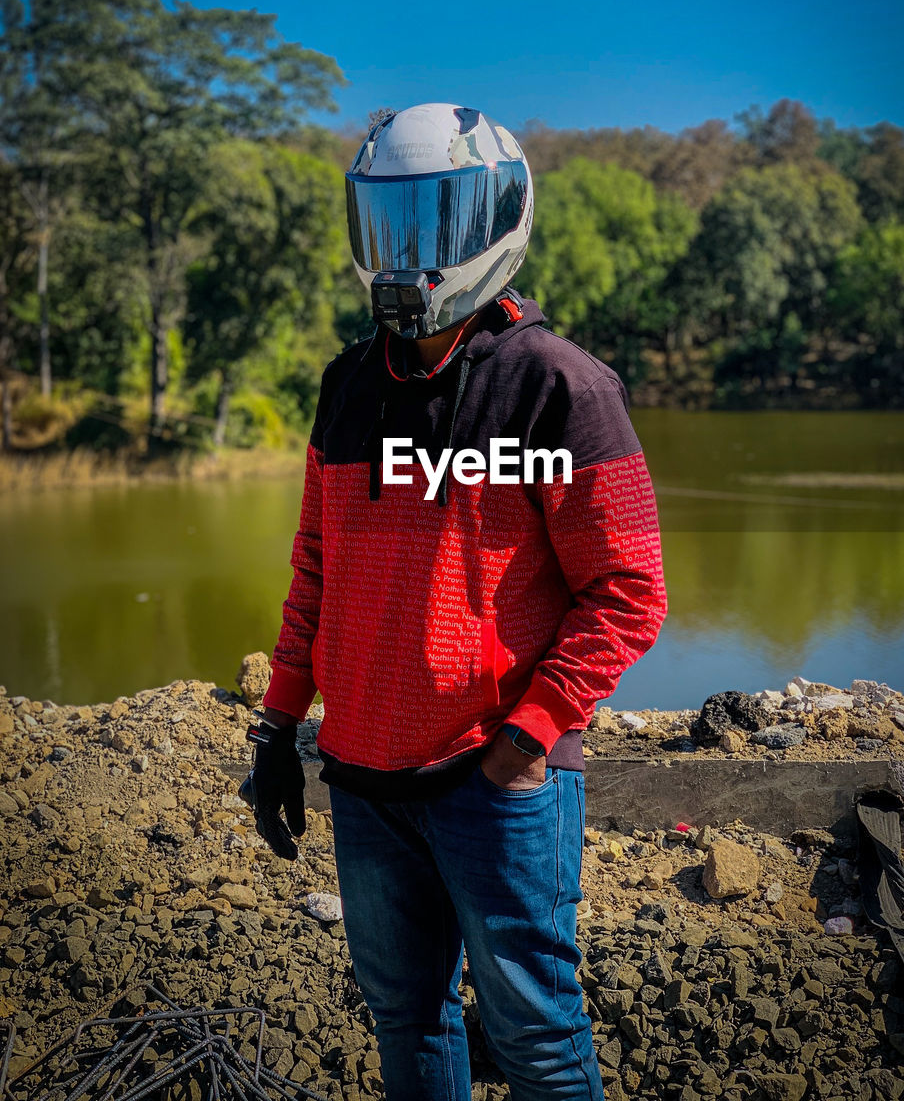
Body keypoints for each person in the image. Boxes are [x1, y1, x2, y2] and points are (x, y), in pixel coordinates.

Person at [243, 103, 668, 1100]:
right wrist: (277, 726)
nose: (408, 256)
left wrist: (528, 737)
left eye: (435, 226)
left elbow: (629, 589)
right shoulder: (347, 384)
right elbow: (316, 569)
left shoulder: (561, 387)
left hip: (495, 780)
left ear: (495, 225)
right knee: (407, 1019)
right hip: (363, 777)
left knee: (539, 1034)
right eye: (392, 225)